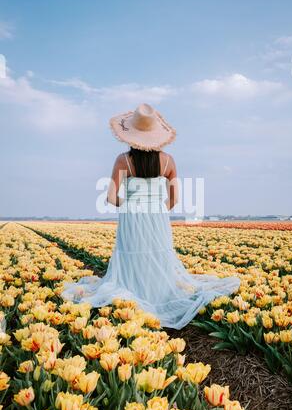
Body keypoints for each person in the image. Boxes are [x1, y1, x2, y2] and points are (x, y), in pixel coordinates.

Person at [61, 103, 240, 329]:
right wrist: (155, 208)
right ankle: (158, 293)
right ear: (157, 137)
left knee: (133, 254)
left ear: (131, 135)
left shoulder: (123, 160)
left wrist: (131, 205)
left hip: (131, 217)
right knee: (157, 254)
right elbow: (174, 199)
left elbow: (110, 196)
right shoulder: (168, 161)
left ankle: (134, 294)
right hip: (157, 216)